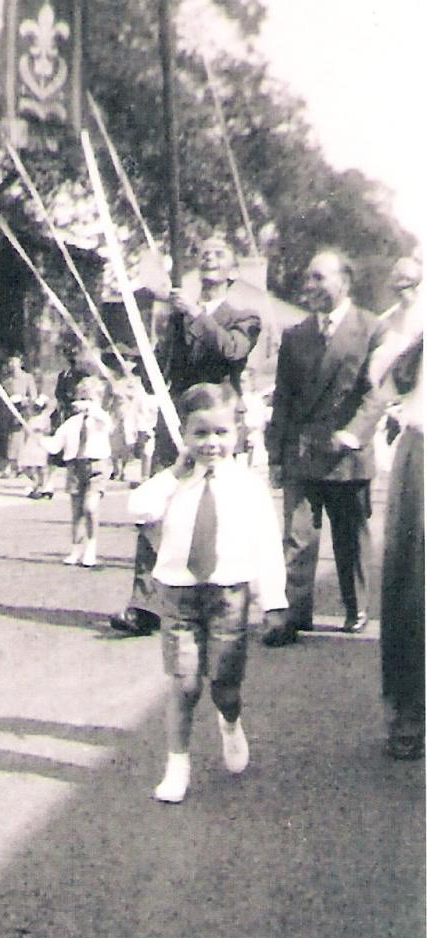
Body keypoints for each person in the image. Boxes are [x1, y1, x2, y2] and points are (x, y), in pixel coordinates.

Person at [129, 383, 287, 803]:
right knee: (183, 684)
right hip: (179, 593)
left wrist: (273, 600)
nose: (210, 443)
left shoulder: (247, 486)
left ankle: (230, 723)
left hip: (229, 595)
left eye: (220, 433)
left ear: (237, 433)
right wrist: (173, 476)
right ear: (184, 435)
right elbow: (138, 508)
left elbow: (268, 544)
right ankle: (177, 764)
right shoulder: (173, 480)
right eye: (200, 434)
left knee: (224, 684)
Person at [110, 235, 261, 635]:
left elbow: (230, 352)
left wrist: (195, 313)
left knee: (217, 510)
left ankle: (219, 596)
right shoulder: (176, 316)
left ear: (232, 271)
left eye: (219, 254)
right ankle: (144, 604)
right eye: (204, 253)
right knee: (158, 506)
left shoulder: (244, 315)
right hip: (175, 423)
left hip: (217, 427)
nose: (210, 259)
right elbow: (163, 364)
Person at [263, 248, 386, 645]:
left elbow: (377, 393)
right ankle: (294, 614)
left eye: (319, 278)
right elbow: (282, 398)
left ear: (344, 281)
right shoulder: (296, 335)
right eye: (309, 278)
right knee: (298, 537)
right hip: (303, 452)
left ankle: (356, 608)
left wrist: (353, 434)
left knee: (349, 537)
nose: (310, 286)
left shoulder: (371, 329)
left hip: (347, 456)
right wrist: (276, 456)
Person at [370, 256, 423, 760]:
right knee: (413, 585)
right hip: (423, 449)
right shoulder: (409, 315)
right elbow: (381, 372)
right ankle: (411, 710)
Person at [43, 375, 112, 568]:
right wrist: (40, 440)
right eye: (82, 398)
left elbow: (106, 421)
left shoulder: (101, 419)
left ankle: (91, 549)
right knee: (76, 513)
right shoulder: (71, 423)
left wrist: (92, 408)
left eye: (90, 399)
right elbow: (55, 446)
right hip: (74, 468)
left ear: (99, 400)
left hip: (96, 466)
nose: (85, 403)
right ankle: (76, 549)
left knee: (90, 507)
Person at [0, 353, 37, 478]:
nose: (12, 365)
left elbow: (33, 397)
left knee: (16, 438)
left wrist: (22, 399)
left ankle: (12, 466)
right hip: (8, 415)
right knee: (11, 439)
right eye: (10, 362)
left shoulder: (28, 378)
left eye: (15, 362)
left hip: (22, 413)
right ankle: (18, 466)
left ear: (20, 363)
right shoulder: (6, 380)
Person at [19, 394, 52, 498]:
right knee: (27, 465)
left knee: (41, 466)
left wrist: (39, 431)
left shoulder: (45, 418)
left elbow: (47, 430)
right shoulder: (30, 418)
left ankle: (42, 487)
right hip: (30, 442)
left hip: (40, 442)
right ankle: (36, 482)